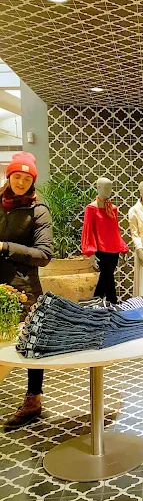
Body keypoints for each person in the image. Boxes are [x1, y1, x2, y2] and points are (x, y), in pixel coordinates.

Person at [1, 152, 53, 431]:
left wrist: (5, 247)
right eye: (17, 176)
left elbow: (44, 255)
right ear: (8, 176)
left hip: (23, 288)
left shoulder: (38, 210)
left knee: (32, 343)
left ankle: (33, 400)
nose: (20, 182)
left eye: (26, 178)